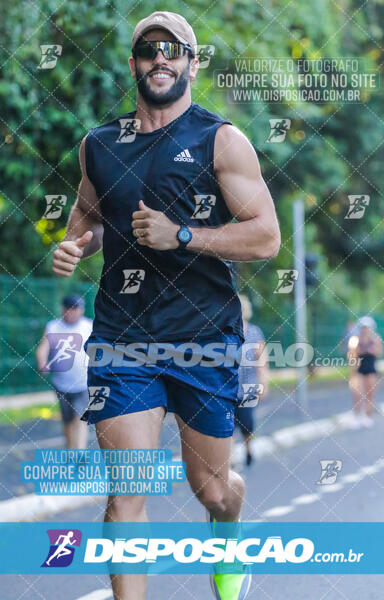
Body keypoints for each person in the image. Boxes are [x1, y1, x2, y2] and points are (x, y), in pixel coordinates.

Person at [51, 10, 280, 600]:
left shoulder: (219, 139)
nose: (161, 58)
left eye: (174, 50)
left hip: (204, 336)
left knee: (211, 489)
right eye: (150, 49)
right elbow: (90, 218)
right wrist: (76, 245)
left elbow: (265, 237)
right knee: (126, 491)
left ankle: (227, 535)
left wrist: (183, 235)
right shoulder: (99, 145)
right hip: (124, 340)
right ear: (134, 64)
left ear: (192, 64)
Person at [36, 294, 92, 448]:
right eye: (71, 309)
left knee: (80, 419)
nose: (75, 312)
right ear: (64, 309)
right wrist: (42, 362)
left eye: (78, 309)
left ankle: (80, 454)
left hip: (83, 383)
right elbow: (43, 348)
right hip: (61, 384)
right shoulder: (53, 326)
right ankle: (70, 452)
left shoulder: (89, 325)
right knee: (67, 423)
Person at [234, 295, 268, 466]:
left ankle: (248, 449)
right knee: (227, 424)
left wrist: (263, 383)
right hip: (229, 386)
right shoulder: (225, 331)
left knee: (247, 422)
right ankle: (229, 458)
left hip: (248, 385)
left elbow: (261, 359)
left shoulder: (254, 332)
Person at [348, 316, 383, 429]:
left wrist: (371, 350)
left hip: (371, 369)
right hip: (359, 369)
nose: (365, 330)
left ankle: (367, 416)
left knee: (370, 394)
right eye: (363, 328)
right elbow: (351, 356)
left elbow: (379, 353)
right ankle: (357, 416)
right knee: (357, 394)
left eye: (367, 328)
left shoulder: (376, 339)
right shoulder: (355, 340)